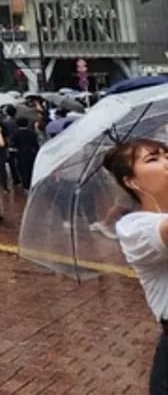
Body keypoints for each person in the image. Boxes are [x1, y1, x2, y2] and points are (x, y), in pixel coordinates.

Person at [103, 138, 168, 392]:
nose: (166, 161)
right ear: (132, 181)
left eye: (167, 154)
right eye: (153, 158)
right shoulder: (135, 227)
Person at [12, 117, 41, 191]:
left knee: (23, 170)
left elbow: (12, 145)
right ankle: (33, 183)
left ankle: (26, 186)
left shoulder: (15, 134)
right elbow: (36, 144)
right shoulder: (32, 133)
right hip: (31, 153)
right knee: (31, 168)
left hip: (21, 154)